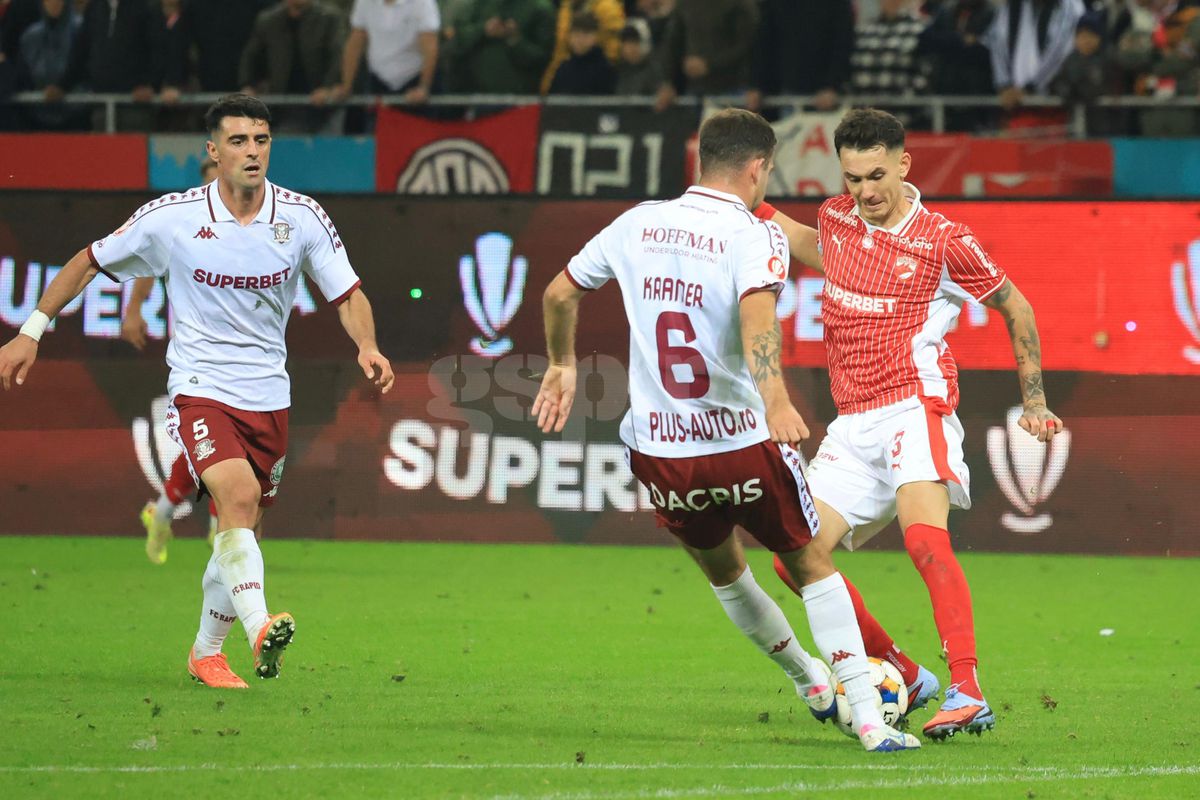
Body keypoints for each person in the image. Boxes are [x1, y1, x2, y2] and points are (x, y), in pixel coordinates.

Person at [533, 108, 920, 753]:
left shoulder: (636, 222)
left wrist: (562, 363)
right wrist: (776, 402)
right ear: (758, 168)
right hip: (742, 442)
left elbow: (557, 295)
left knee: (727, 575)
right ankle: (870, 720)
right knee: (810, 565)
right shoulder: (752, 234)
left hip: (660, 451)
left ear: (701, 161)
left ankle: (808, 681)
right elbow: (758, 322)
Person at [0, 94, 395, 690]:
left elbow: (348, 294)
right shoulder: (174, 217)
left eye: (261, 139)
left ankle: (206, 653)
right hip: (200, 386)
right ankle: (260, 628)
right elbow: (89, 261)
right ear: (213, 151)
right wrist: (32, 330)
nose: (252, 151)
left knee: (244, 530)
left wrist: (367, 345)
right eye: (238, 141)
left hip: (269, 395)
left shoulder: (302, 217)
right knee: (236, 497)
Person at [756, 108, 1063, 740]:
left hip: (913, 408)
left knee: (925, 541)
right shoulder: (838, 219)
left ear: (903, 164)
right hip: (852, 425)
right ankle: (904, 671)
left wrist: (1034, 402)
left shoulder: (944, 240)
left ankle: (967, 689)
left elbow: (1019, 308)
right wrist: (736, 199)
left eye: (876, 176)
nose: (865, 192)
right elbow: (806, 241)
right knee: (795, 559)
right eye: (852, 178)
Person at [125, 157, 220, 565]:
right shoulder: (184, 223)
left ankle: (162, 511)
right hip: (196, 359)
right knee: (222, 443)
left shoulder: (256, 223)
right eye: (212, 180)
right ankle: (220, 528)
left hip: (245, 358)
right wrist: (134, 309)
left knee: (209, 446)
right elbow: (149, 262)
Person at [547, 12, 616, 95]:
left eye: (586, 34)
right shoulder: (563, 68)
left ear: (596, 36)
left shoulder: (605, 70)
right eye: (576, 34)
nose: (580, 40)